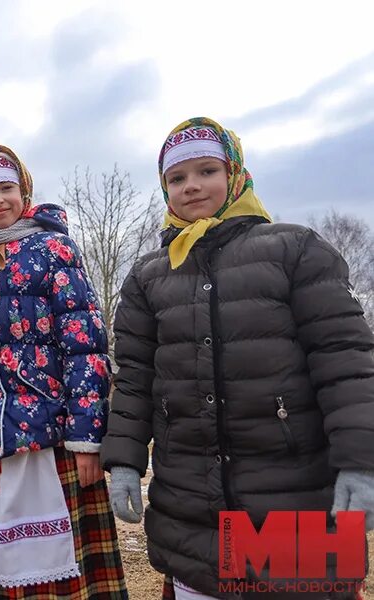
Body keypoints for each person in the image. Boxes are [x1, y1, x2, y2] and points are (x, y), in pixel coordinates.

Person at [101, 117, 374, 600]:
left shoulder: (296, 251)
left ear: (235, 173)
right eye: (176, 178)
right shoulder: (148, 276)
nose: (192, 187)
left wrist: (362, 461)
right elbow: (136, 378)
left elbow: (345, 363)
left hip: (293, 495)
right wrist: (123, 460)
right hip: (191, 498)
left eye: (206, 170)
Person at [0, 144, 128, 599]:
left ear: (24, 190)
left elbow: (84, 349)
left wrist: (87, 439)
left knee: (61, 564)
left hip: (50, 434)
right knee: (4, 564)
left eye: (6, 188)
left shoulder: (55, 250)